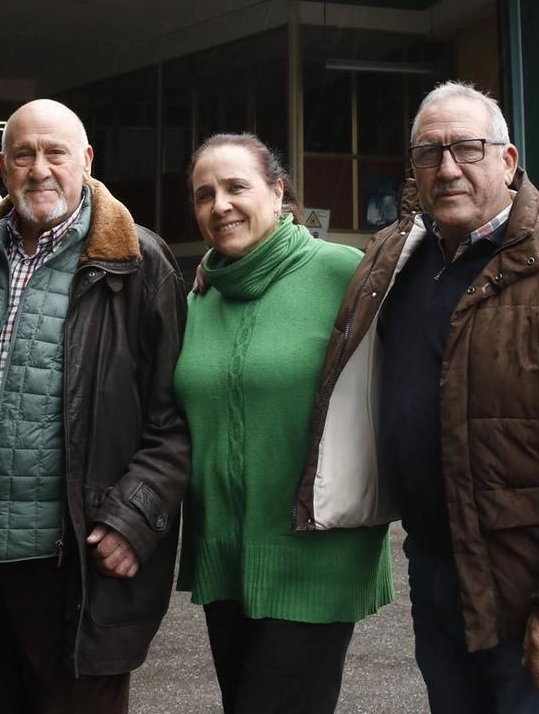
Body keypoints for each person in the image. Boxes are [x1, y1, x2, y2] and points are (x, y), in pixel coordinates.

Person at [298, 81, 539, 714]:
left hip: (532, 589)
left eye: (466, 148)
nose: (447, 168)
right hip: (436, 570)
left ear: (509, 161)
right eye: (428, 154)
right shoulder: (398, 260)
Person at [0, 99, 188, 714]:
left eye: (56, 153)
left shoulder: (138, 265)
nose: (39, 169)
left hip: (68, 569)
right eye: (23, 155)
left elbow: (177, 418)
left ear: (86, 160)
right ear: (2, 166)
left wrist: (135, 518)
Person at [174, 133, 392, 714]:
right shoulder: (200, 296)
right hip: (225, 556)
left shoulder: (343, 274)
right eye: (204, 194)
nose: (219, 205)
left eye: (236, 187)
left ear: (278, 191)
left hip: (315, 557)